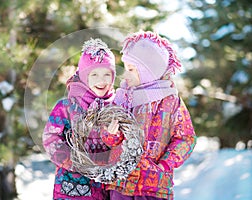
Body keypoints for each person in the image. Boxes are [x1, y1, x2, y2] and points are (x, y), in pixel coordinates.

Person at [101, 31, 197, 200]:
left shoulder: (170, 101)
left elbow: (186, 138)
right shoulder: (122, 98)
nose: (125, 74)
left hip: (154, 187)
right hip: (120, 183)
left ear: (148, 71)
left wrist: (165, 164)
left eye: (131, 69)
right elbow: (110, 139)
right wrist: (111, 134)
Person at [42, 38, 116, 200]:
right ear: (84, 76)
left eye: (106, 74)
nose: (101, 80)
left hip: (104, 187)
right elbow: (51, 139)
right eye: (94, 74)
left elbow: (120, 143)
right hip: (72, 185)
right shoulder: (67, 107)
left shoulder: (116, 108)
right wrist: (73, 162)